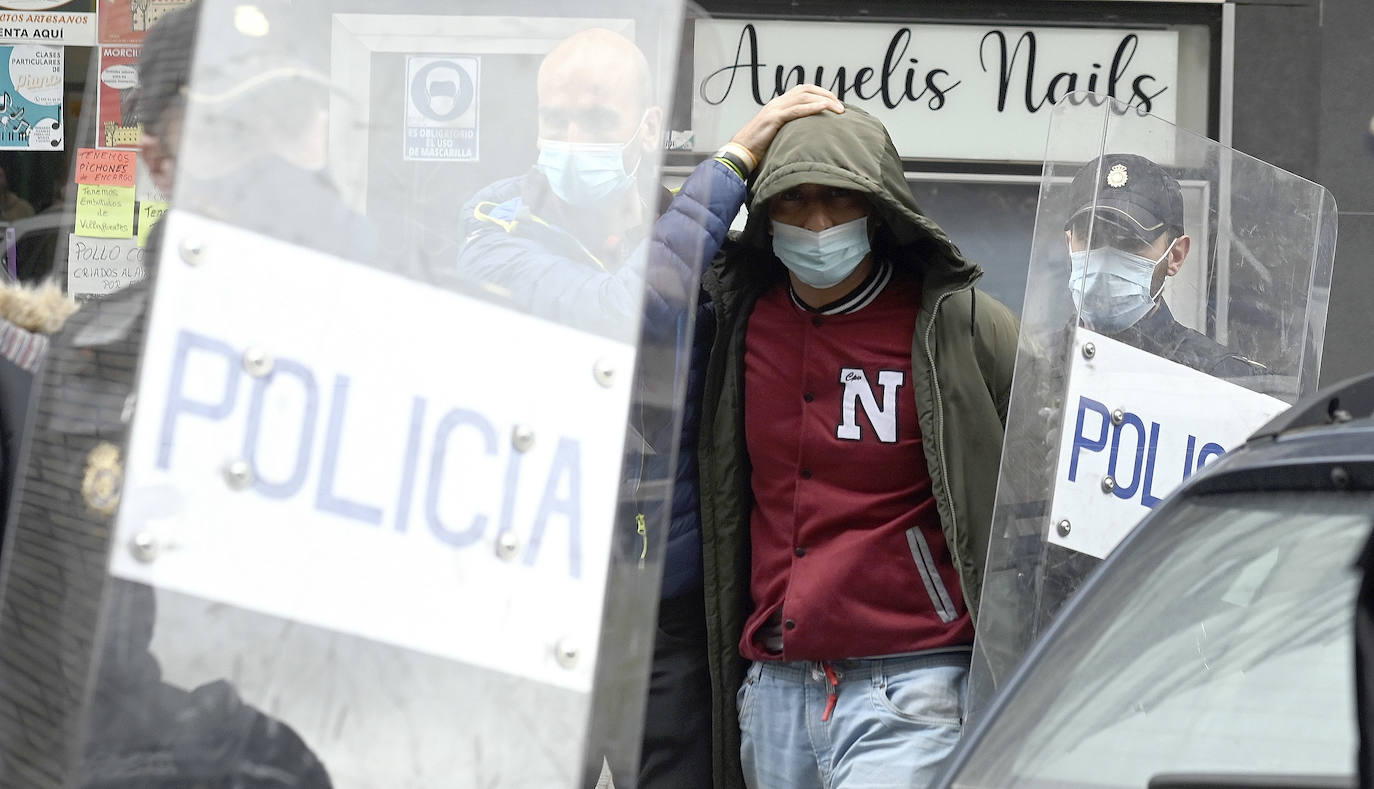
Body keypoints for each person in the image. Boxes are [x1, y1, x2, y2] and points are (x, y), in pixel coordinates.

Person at [458, 29, 844, 789]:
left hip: (666, 617)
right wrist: (732, 162)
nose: (571, 139)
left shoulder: (715, 252)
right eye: (555, 118)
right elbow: (620, 312)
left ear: (643, 129)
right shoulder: (494, 227)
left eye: (596, 121)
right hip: (532, 604)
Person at [0, 6, 333, 786]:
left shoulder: (388, 342)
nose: (277, 156)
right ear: (159, 154)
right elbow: (62, 650)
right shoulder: (93, 371)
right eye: (235, 126)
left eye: (289, 121)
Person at [694, 104, 1018, 789]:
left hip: (912, 684)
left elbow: (1052, 468)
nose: (816, 222)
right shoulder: (737, 326)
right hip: (776, 689)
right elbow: (631, 295)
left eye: (838, 197)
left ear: (877, 209)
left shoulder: (956, 326)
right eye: (794, 198)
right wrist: (731, 160)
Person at [1063, 152, 1265, 377]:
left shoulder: (1221, 380)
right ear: (1069, 242)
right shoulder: (1035, 365)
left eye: (1129, 241)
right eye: (1092, 238)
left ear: (1176, 256)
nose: (1105, 258)